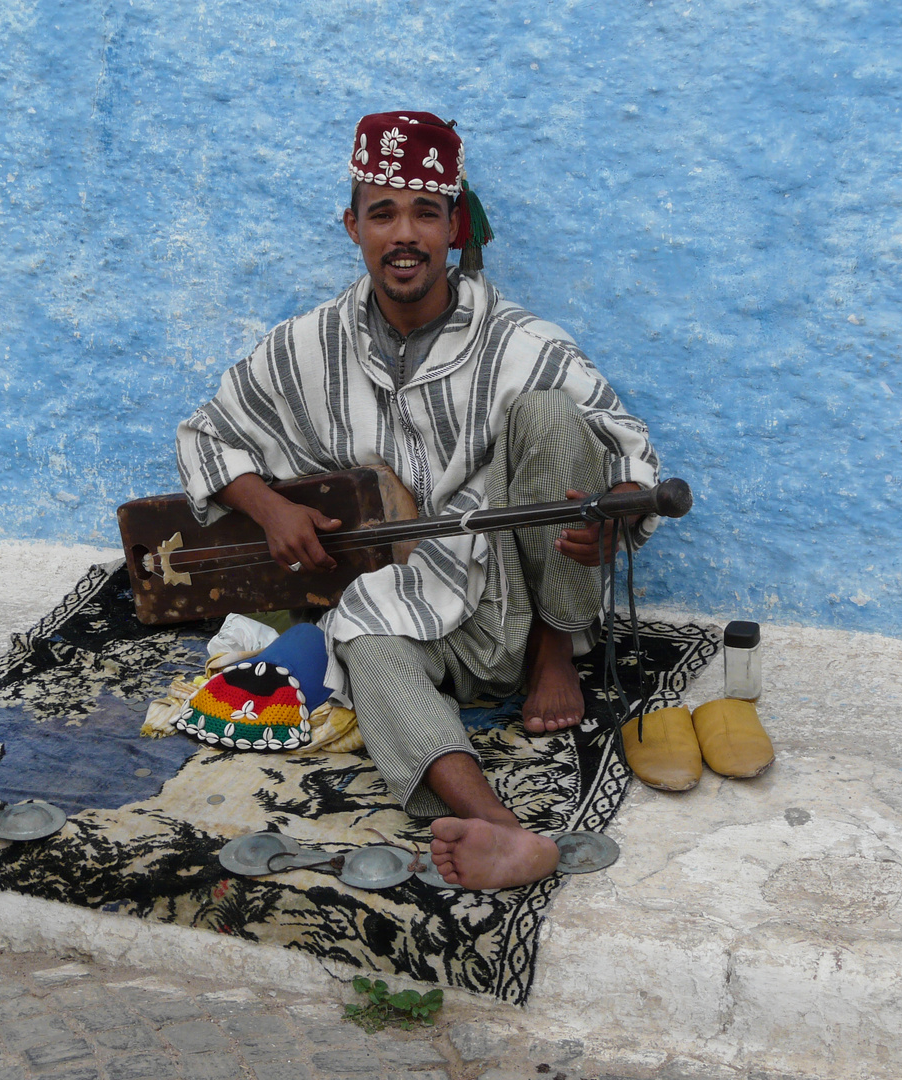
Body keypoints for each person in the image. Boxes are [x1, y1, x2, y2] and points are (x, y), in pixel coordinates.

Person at [176, 111, 660, 889]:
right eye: (383, 213)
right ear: (353, 226)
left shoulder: (519, 342)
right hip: (411, 599)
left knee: (552, 417)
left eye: (426, 214)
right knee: (361, 639)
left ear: (455, 229)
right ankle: (498, 827)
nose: (405, 235)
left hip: (518, 592)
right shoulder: (309, 345)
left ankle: (554, 653)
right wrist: (271, 508)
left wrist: (620, 510)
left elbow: (627, 446)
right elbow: (206, 434)